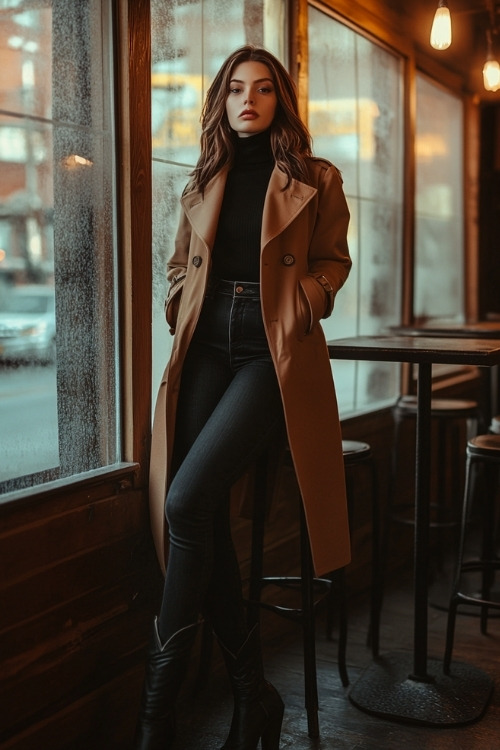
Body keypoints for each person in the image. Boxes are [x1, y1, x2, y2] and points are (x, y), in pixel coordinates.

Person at [134, 45, 352, 750]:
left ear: (280, 100)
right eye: (235, 89)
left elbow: (334, 260)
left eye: (262, 88)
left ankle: (155, 717)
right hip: (204, 345)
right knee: (196, 510)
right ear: (222, 102)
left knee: (189, 501)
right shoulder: (205, 176)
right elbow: (176, 263)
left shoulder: (315, 178)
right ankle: (253, 696)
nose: (248, 99)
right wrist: (178, 299)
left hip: (270, 351)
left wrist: (307, 302)